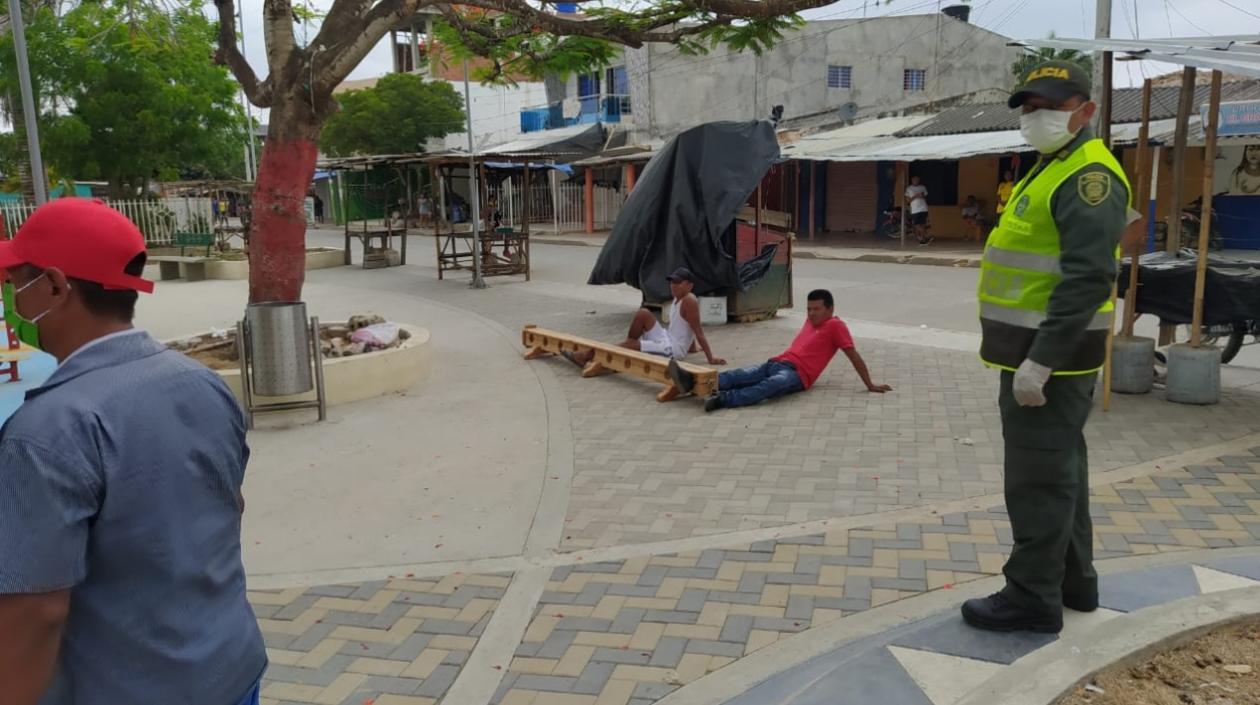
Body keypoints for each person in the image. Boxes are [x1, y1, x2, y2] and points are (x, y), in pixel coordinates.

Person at [0, 198, 267, 704]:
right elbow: (228, 504)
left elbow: (35, 611)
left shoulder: (45, 431)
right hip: (229, 668)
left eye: (17, 285)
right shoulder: (201, 383)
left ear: (56, 287)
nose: (14, 304)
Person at [966, 60, 1131, 634]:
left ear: (1085, 111)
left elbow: (1088, 278)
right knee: (1062, 473)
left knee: (1037, 479)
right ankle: (1073, 584)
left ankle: (1031, 597)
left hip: (1049, 362)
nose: (1035, 118)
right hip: (1037, 355)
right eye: (1030, 108)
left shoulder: (1089, 176)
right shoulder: (1051, 166)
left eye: (1050, 108)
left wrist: (1041, 362)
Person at [669, 289, 891, 412]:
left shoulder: (836, 326)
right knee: (740, 374)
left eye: (817, 309)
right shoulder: (810, 321)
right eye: (808, 309)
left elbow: (853, 355)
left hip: (797, 374)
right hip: (777, 362)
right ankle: (693, 382)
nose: (811, 314)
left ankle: (722, 400)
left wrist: (869, 385)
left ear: (830, 309)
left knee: (767, 387)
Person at [567, 267, 724, 367]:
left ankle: (588, 355)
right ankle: (628, 347)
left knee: (635, 345)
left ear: (689, 285)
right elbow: (687, 326)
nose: (673, 286)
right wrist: (692, 347)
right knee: (644, 314)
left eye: (677, 283)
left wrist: (710, 357)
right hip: (667, 337)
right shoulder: (678, 297)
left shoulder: (690, 300)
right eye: (671, 282)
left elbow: (698, 330)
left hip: (673, 350)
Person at [905, 175, 932, 245]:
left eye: (917, 180)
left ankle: (923, 240)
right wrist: (915, 196)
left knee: (923, 224)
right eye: (915, 180)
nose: (916, 181)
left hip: (923, 208)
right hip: (915, 210)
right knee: (916, 225)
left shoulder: (922, 187)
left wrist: (921, 195)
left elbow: (925, 196)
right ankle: (926, 236)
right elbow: (908, 201)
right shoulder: (909, 189)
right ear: (912, 180)